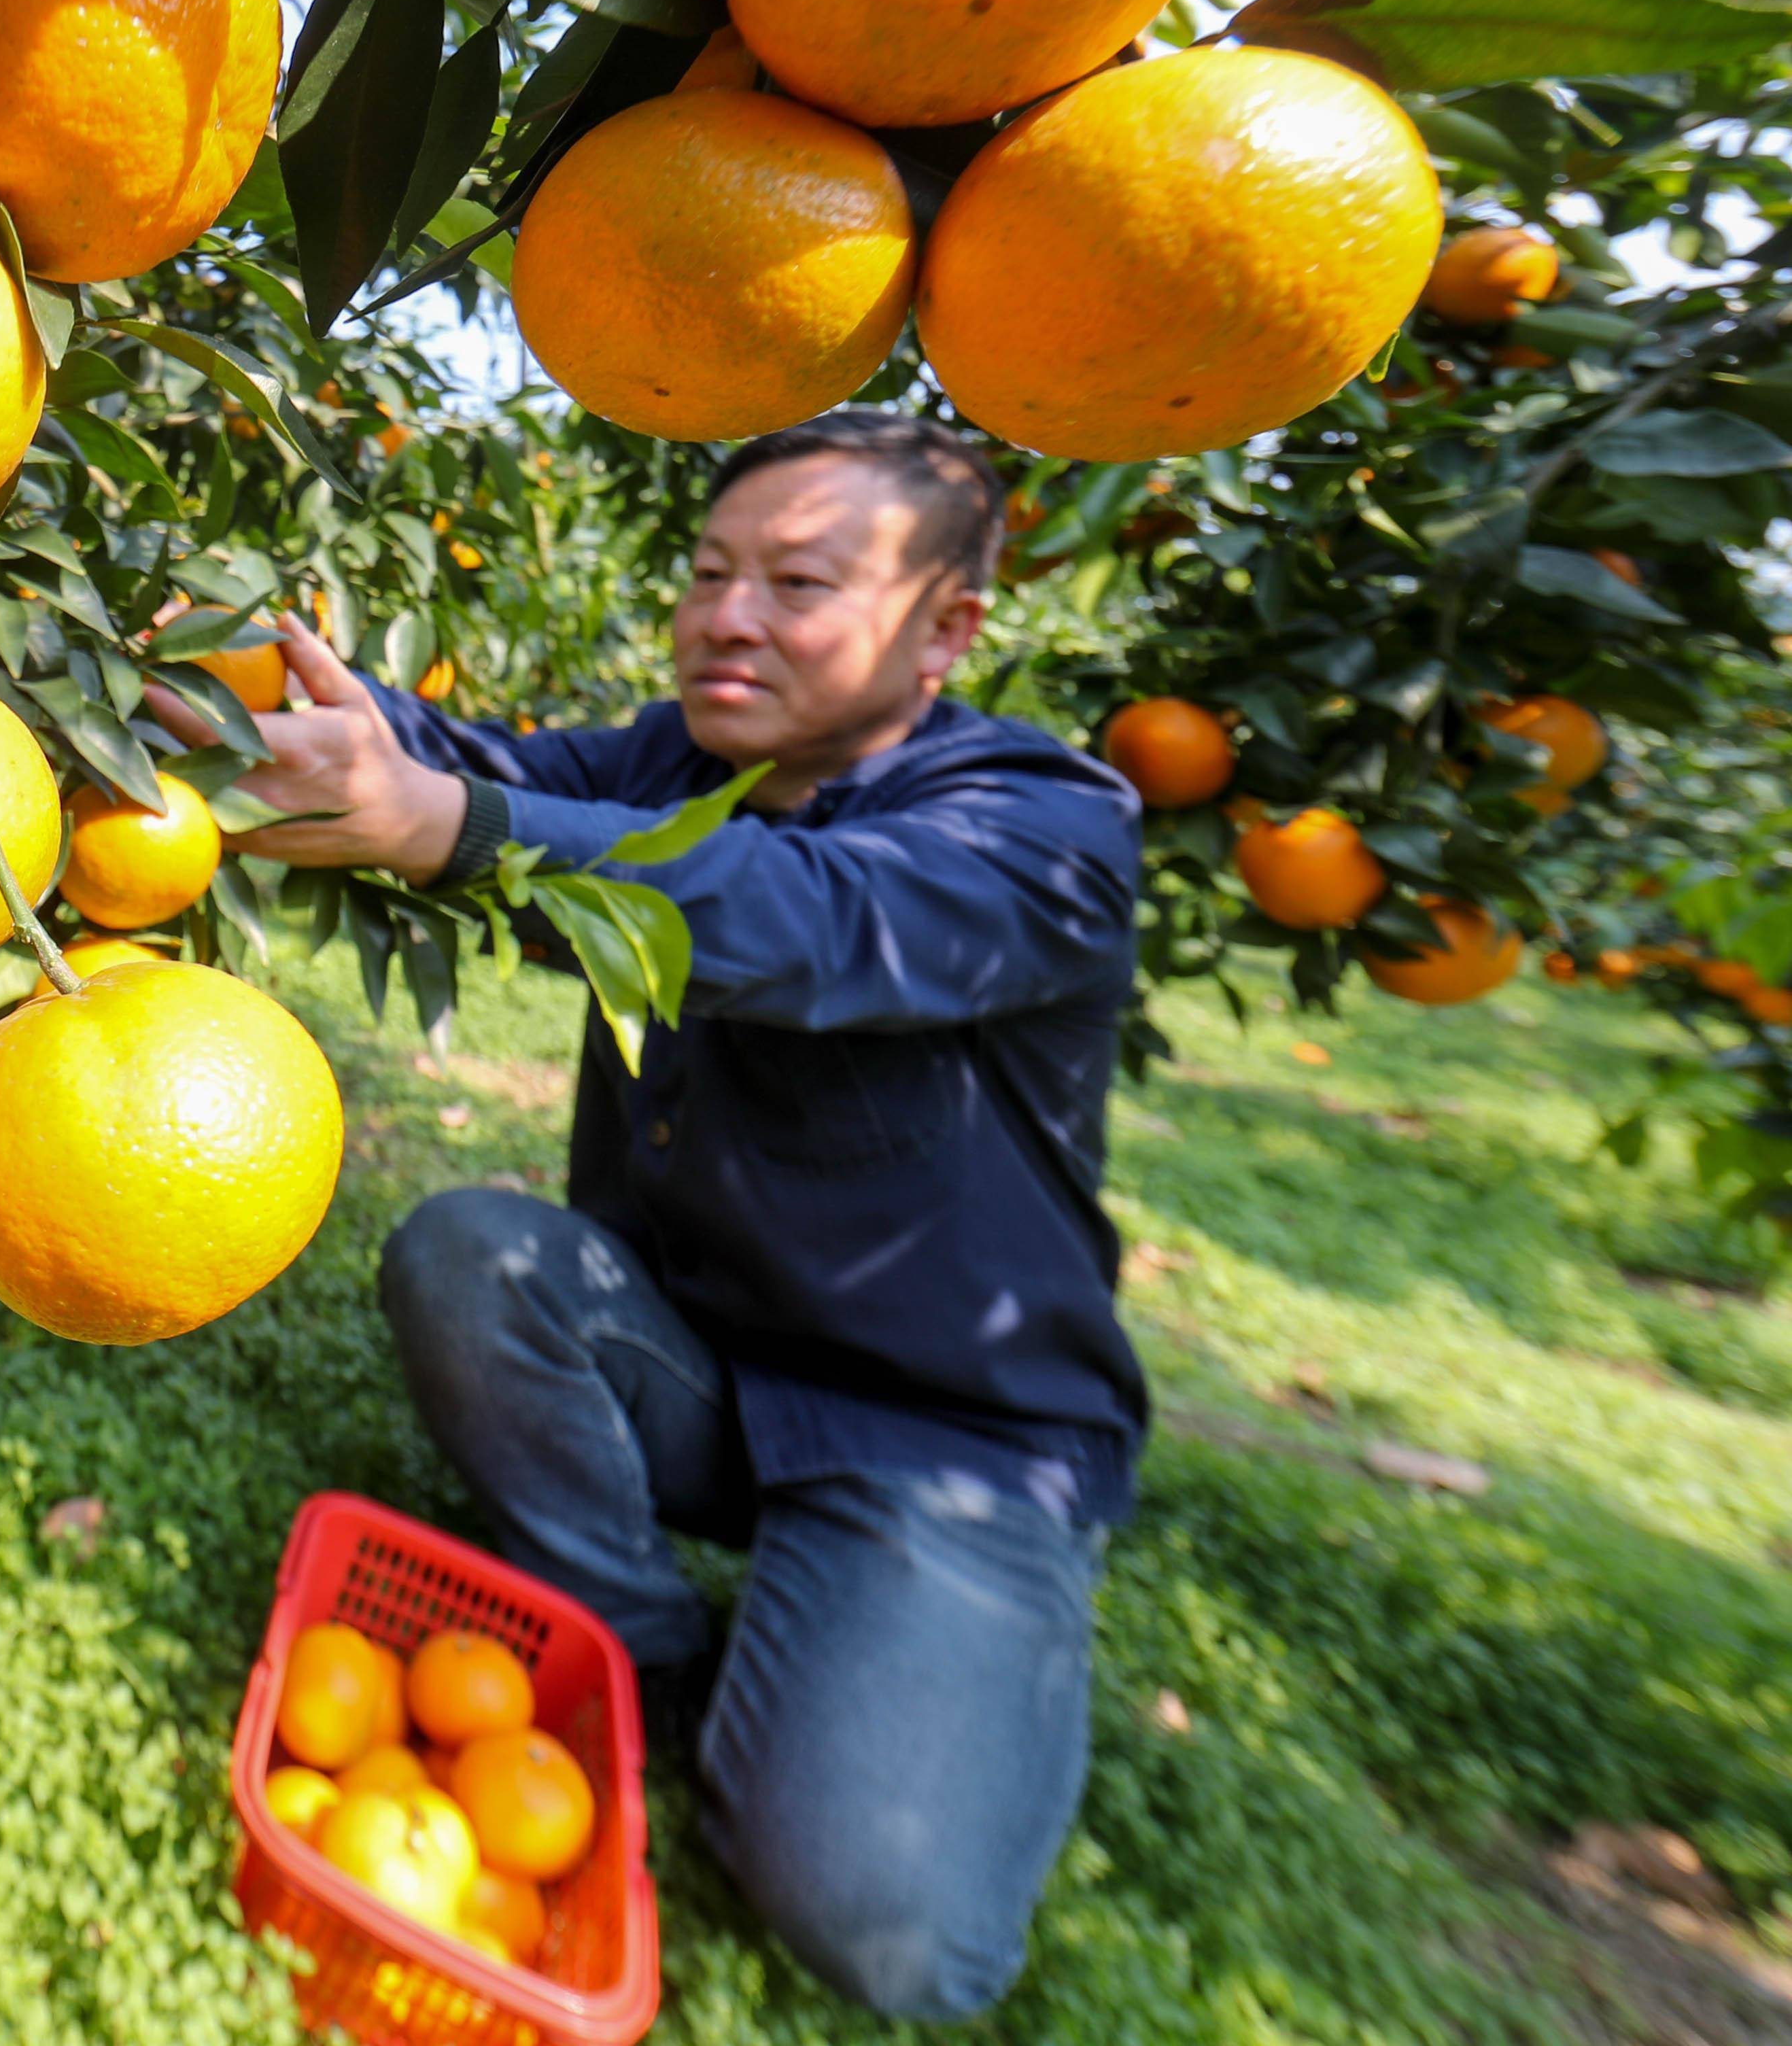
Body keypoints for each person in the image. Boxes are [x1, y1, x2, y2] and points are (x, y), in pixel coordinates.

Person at [159, 412, 1145, 2022]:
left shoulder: (1048, 827)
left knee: (892, 1936)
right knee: (474, 1256)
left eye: (797, 581)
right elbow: (464, 774)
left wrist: (455, 832)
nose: (726, 616)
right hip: (695, 1364)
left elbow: (816, 918)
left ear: (947, 628)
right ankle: (633, 1642)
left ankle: (895, 1637)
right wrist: (228, 676)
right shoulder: (668, 764)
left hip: (944, 1445)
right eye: (708, 573)